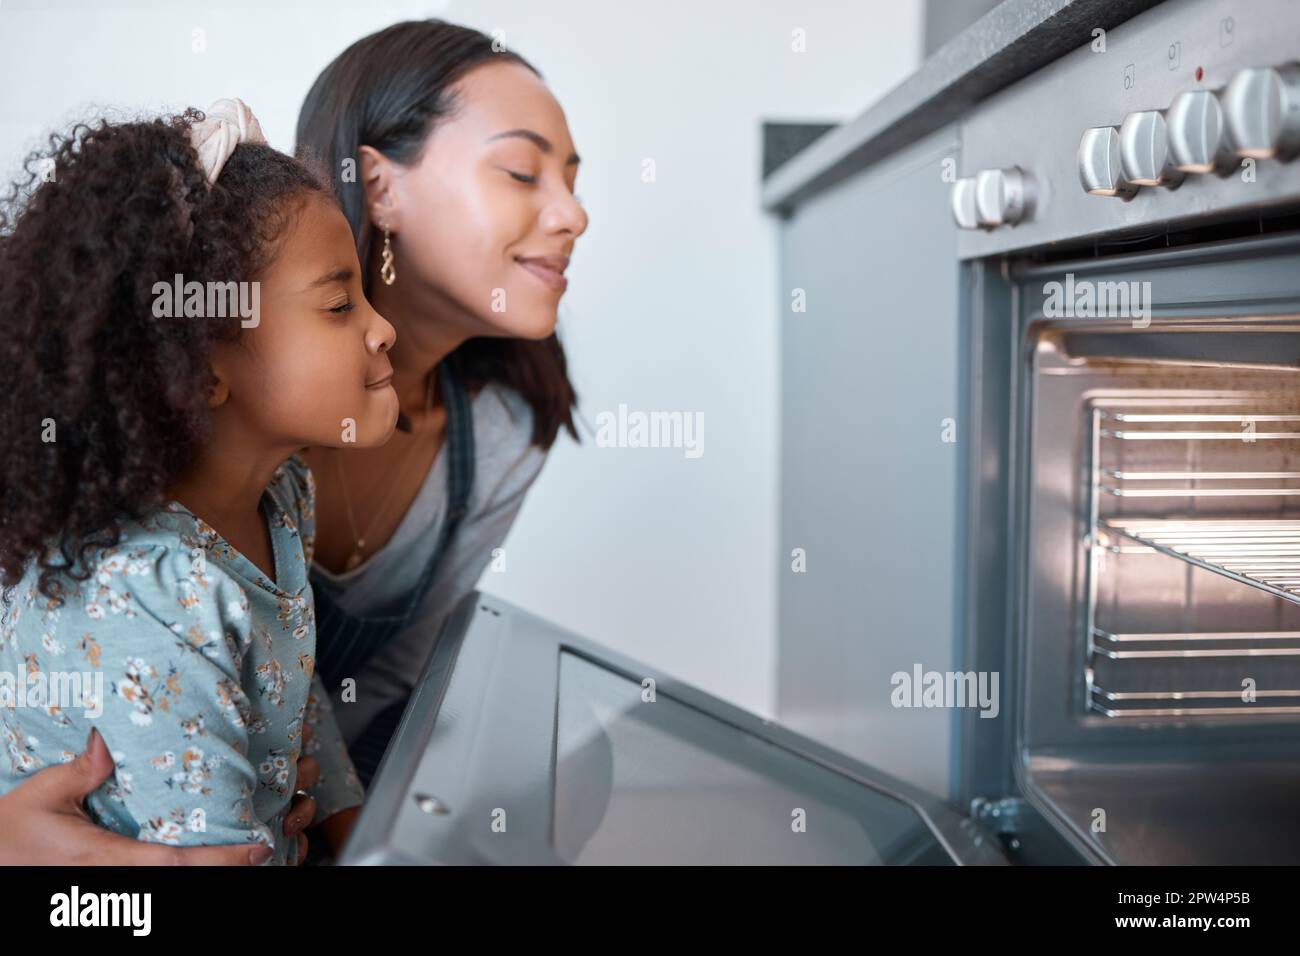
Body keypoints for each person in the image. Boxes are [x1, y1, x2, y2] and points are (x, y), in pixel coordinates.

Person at [0, 99, 397, 863]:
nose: (381, 328)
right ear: (204, 363)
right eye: (340, 304)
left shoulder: (281, 496)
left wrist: (359, 829)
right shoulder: (151, 590)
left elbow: (293, 677)